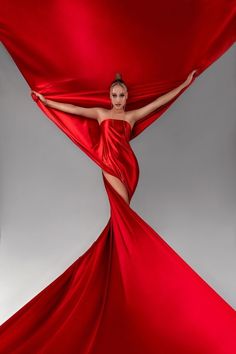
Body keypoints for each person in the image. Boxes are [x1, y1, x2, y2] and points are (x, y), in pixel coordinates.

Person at [32, 70, 197, 205]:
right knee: (122, 209)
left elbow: (158, 102)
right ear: (109, 97)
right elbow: (74, 109)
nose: (118, 100)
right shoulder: (101, 114)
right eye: (114, 95)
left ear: (127, 97)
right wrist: (48, 103)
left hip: (128, 165)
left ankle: (116, 245)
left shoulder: (131, 116)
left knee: (122, 211)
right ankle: (120, 245)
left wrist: (184, 84)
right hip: (109, 163)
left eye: (121, 95)